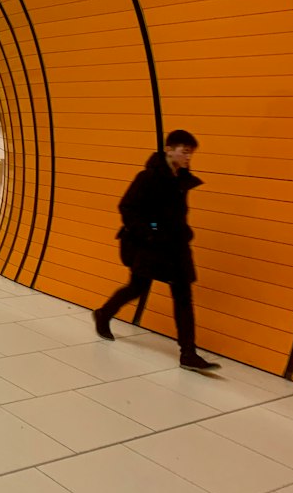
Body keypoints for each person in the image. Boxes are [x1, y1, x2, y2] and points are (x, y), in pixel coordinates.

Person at [93, 129, 220, 372]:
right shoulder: (147, 177)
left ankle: (188, 353)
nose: (188, 158)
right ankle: (103, 314)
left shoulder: (181, 180)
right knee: (137, 288)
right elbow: (127, 207)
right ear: (169, 150)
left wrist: (184, 232)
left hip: (175, 247)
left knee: (183, 297)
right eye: (184, 152)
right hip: (150, 246)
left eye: (191, 154)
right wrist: (150, 232)